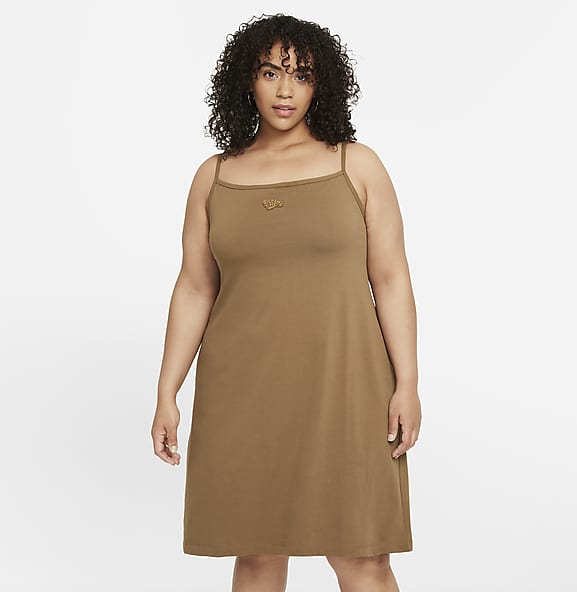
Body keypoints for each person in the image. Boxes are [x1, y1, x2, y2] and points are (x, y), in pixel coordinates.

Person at [151, 13, 422, 592]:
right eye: (271, 72)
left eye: (301, 75)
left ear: (321, 85)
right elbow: (195, 286)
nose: (285, 90)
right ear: (246, 79)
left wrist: (407, 384)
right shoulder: (214, 176)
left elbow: (392, 278)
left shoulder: (356, 164)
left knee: (363, 558)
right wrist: (167, 391)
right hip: (242, 388)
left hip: (347, 384)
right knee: (257, 554)